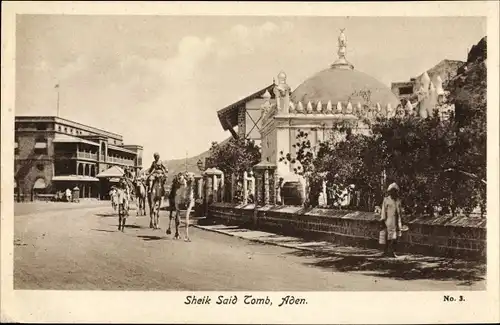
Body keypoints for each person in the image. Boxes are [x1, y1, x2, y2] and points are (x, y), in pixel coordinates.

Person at [379, 182, 403, 258]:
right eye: (392, 191)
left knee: (396, 237)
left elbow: (400, 211)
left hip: (397, 220)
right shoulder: (386, 200)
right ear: (390, 192)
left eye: (395, 191)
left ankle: (393, 252)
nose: (394, 193)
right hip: (389, 220)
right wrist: (383, 220)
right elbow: (383, 210)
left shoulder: (398, 200)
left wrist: (401, 219)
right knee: (388, 237)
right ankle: (386, 251)